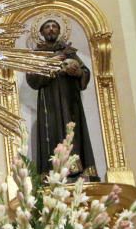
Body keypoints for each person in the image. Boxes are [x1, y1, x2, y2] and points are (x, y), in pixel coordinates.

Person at [26, 19, 99, 180]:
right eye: (47, 27)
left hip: (70, 103)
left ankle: (78, 170)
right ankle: (52, 172)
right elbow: (31, 79)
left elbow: (85, 72)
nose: (51, 29)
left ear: (59, 31)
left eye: (54, 27)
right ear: (42, 33)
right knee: (51, 132)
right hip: (49, 105)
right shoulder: (38, 54)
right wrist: (51, 67)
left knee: (73, 132)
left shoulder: (69, 51)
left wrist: (77, 71)